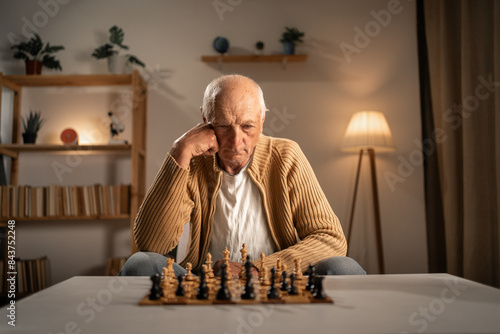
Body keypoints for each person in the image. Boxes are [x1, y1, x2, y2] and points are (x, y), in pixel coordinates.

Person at [120, 74, 365, 277]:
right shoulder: (191, 161)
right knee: (140, 263)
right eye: (224, 126)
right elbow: (151, 245)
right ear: (206, 120)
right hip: (203, 282)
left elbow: (330, 238)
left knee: (345, 268)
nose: (236, 141)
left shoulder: (287, 155)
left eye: (247, 126)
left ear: (262, 119)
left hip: (275, 279)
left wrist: (256, 270)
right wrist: (179, 151)